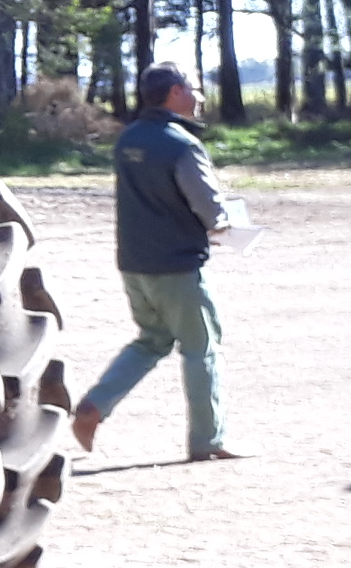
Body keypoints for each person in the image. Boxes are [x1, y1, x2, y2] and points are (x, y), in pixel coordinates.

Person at [73, 64, 242, 461]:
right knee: (202, 348)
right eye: (194, 89)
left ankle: (95, 405)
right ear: (176, 92)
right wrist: (227, 227)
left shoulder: (128, 139)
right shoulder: (181, 145)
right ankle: (208, 439)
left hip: (135, 263)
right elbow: (210, 209)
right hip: (178, 266)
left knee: (152, 340)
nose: (200, 97)